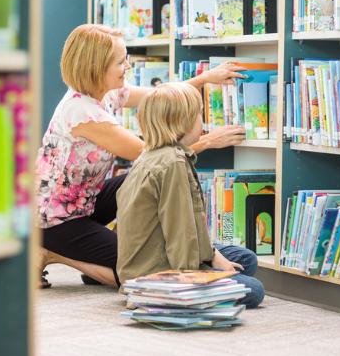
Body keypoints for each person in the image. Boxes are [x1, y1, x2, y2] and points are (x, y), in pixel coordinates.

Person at [37, 24, 246, 288]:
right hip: (55, 220)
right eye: (120, 61)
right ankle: (53, 253)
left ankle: (98, 252)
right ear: (95, 67)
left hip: (84, 201)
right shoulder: (82, 112)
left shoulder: (108, 93)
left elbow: (161, 97)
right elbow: (153, 159)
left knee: (133, 180)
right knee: (136, 271)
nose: (128, 66)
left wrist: (204, 78)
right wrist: (209, 141)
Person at [116, 82, 265, 308]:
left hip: (146, 259)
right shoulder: (173, 163)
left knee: (246, 259)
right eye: (199, 115)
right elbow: (181, 232)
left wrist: (213, 255)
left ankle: (202, 272)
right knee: (254, 290)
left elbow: (187, 225)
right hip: (157, 273)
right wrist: (195, 277)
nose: (202, 121)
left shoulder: (153, 154)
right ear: (183, 123)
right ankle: (162, 295)